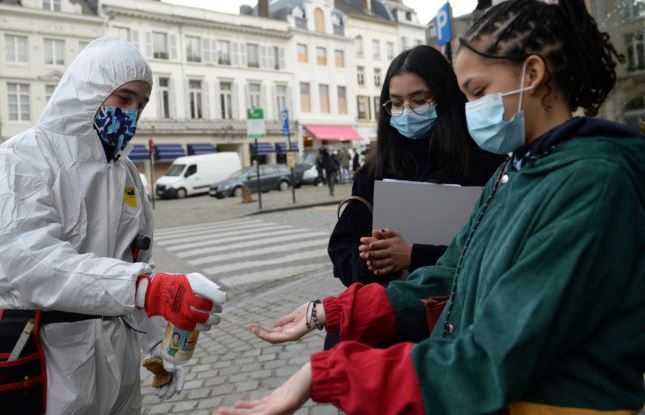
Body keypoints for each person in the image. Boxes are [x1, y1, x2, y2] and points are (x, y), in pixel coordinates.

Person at [217, 1, 645, 414]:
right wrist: (331, 312)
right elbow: (449, 276)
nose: (472, 109)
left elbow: (494, 356)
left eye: (478, 91)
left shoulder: (592, 180)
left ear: (531, 73)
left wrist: (332, 372)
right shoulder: (514, 171)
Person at [0, 37, 225, 414]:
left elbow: (134, 264)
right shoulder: (23, 157)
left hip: (117, 360)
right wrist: (148, 289)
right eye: (123, 98)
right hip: (49, 357)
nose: (132, 113)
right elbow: (29, 262)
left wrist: (158, 344)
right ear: (88, 91)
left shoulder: (126, 175)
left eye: (141, 104)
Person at [328, 45, 504, 295]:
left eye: (419, 100)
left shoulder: (486, 164)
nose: (407, 110)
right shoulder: (375, 170)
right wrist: (373, 261)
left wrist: (414, 256)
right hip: (390, 308)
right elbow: (341, 247)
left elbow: (496, 250)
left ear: (445, 99)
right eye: (397, 103)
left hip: (460, 309)